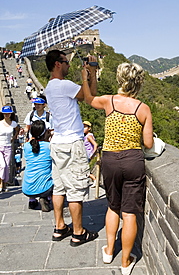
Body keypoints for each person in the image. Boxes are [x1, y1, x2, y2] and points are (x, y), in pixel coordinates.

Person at [82, 62, 153, 275]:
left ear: (120, 80)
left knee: (113, 206)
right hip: (133, 160)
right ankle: (125, 263)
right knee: (129, 213)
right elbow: (148, 144)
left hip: (111, 160)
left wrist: (87, 76)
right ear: (138, 83)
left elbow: (88, 98)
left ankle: (108, 251)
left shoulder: (109, 101)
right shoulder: (143, 108)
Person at [45, 50, 99, 246]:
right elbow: (90, 97)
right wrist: (88, 75)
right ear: (57, 64)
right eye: (66, 62)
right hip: (71, 143)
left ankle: (59, 227)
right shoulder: (64, 85)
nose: (68, 65)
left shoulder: (49, 87)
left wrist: (90, 74)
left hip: (57, 143)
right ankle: (78, 232)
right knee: (75, 189)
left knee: (59, 188)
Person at [22, 120, 53, 212]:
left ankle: (32, 200)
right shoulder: (49, 146)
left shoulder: (26, 146)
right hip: (45, 188)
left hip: (27, 187)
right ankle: (46, 198)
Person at [0, 105, 19, 193]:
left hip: (8, 146)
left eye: (8, 113)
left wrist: (14, 137)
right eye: (5, 113)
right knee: (2, 165)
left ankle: (4, 184)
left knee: (7, 166)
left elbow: (17, 129)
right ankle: (0, 184)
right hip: (0, 146)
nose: (6, 115)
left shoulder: (13, 123)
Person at [83, 121, 98, 187]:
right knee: (84, 169)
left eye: (85, 127)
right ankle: (94, 179)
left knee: (84, 169)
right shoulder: (86, 136)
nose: (83, 129)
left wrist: (93, 154)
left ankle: (95, 179)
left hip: (87, 155)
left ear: (89, 128)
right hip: (86, 155)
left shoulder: (89, 136)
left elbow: (95, 144)